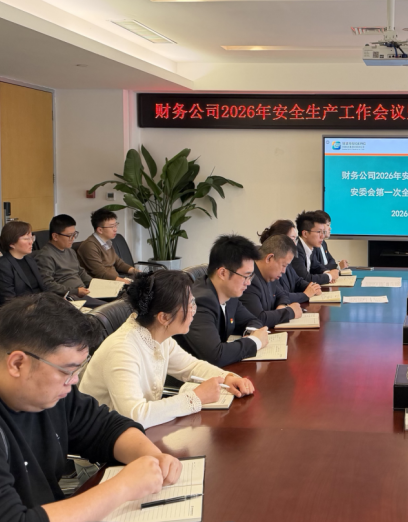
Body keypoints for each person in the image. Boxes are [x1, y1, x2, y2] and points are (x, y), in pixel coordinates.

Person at [0, 293, 183, 522]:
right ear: (18, 364)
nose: (75, 380)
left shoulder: (51, 394)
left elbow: (105, 427)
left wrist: (153, 458)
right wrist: (123, 487)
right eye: (67, 371)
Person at [79, 271, 255, 429]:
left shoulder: (157, 336)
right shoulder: (122, 349)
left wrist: (226, 378)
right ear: (163, 317)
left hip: (135, 433)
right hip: (99, 445)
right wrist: (196, 397)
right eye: (189, 305)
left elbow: (191, 367)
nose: (194, 311)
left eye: (192, 302)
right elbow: (135, 415)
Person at [174, 235, 269, 367]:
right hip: (189, 376)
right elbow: (215, 356)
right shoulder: (199, 302)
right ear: (223, 273)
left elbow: (252, 320)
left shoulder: (229, 296)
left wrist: (251, 333)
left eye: (251, 276)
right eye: (245, 276)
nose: (248, 283)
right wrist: (255, 341)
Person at [35, 215, 104, 307]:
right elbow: (47, 284)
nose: (73, 238)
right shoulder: (45, 256)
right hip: (68, 297)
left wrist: (97, 284)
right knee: (107, 308)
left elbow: (80, 272)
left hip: (83, 291)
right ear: (55, 236)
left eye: (74, 234)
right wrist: (75, 291)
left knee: (118, 299)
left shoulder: (70, 251)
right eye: (69, 235)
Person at [240, 235, 303, 328]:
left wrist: (281, 306)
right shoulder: (249, 280)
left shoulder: (270, 275)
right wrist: (290, 312)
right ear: (269, 258)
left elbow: (282, 294)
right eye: (283, 265)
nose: (284, 271)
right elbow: (257, 318)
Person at [259, 220, 322, 305]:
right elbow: (280, 295)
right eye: (292, 239)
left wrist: (312, 287)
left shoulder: (285, 258)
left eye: (296, 240)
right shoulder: (271, 264)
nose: (295, 244)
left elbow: (297, 281)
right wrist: (305, 295)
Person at [76, 208, 136, 282]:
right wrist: (125, 282)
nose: (115, 229)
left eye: (116, 225)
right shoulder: (89, 246)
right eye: (112, 226)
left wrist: (137, 272)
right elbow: (101, 274)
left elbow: (119, 264)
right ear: (100, 230)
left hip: (115, 281)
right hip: (102, 283)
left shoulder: (107, 242)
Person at [0, 221, 46, 306]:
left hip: (40, 305)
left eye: (31, 238)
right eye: (26, 239)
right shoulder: (3, 266)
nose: (31, 242)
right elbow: (8, 301)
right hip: (21, 310)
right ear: (12, 243)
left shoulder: (30, 260)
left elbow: (42, 288)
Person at [293, 211, 339, 285]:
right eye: (319, 232)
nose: (322, 236)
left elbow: (316, 267)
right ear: (305, 233)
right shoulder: (296, 250)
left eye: (323, 232)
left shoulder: (310, 247)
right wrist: (329, 276)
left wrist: (327, 272)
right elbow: (305, 278)